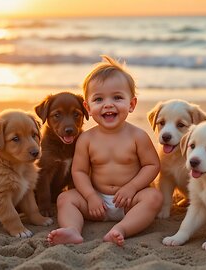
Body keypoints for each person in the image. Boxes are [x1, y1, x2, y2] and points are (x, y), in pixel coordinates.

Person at [47, 55, 162, 246]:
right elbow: (79, 171)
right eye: (98, 99)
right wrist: (91, 196)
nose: (108, 104)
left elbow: (152, 165)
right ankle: (73, 230)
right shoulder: (86, 139)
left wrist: (132, 187)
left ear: (131, 104)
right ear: (88, 108)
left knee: (153, 198)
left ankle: (122, 228)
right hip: (96, 202)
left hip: (129, 201)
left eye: (117, 97)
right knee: (65, 198)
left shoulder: (138, 136)